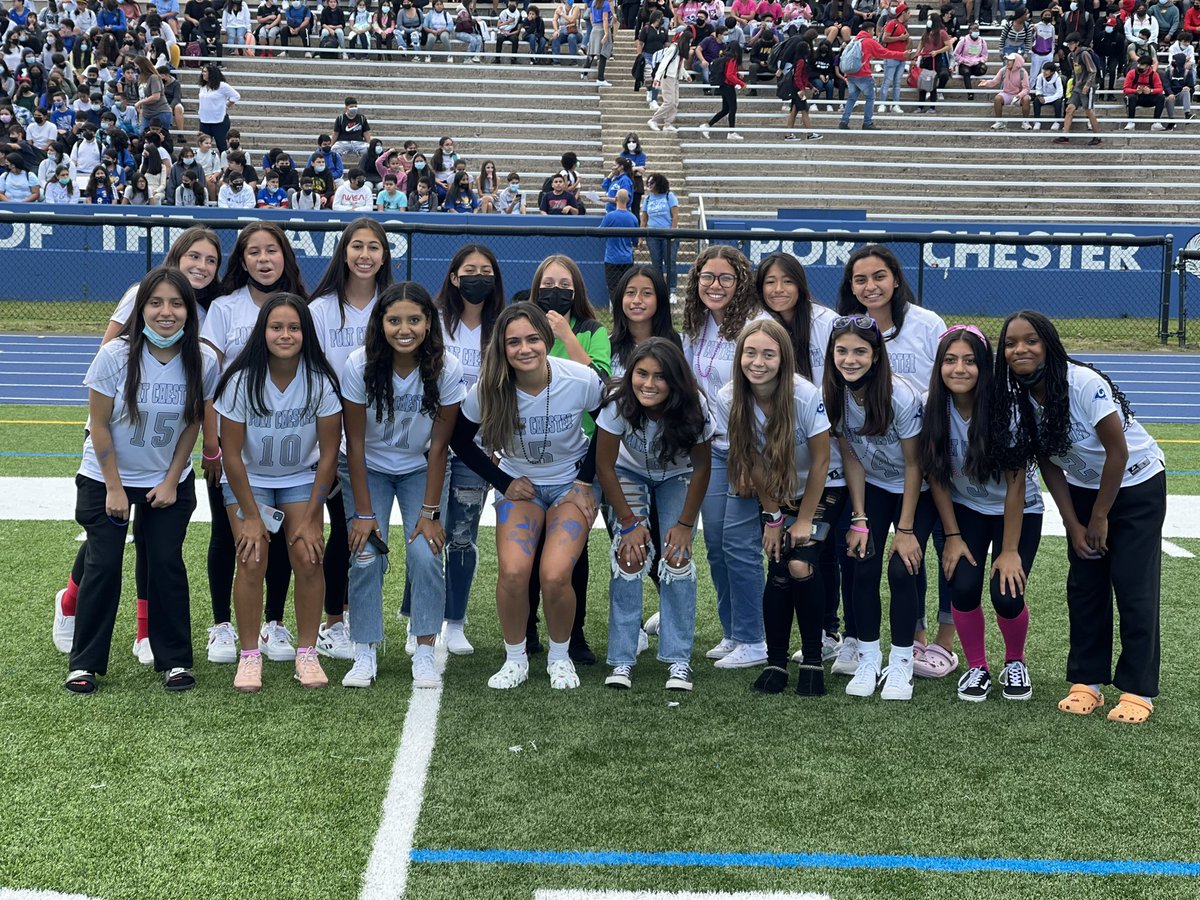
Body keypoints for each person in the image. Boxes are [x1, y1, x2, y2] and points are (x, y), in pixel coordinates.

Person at [996, 311, 1165, 724]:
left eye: (1031, 340)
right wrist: (1073, 524)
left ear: (1048, 344)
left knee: (1132, 584)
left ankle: (1137, 689)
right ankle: (1087, 681)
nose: (1021, 349)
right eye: (1012, 343)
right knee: (1085, 585)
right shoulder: (1014, 395)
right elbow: (1049, 464)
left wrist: (1101, 516)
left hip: (1136, 485)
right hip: (1085, 492)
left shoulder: (1083, 382)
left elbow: (1118, 453)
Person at [63, 268, 218, 695]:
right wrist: (114, 487)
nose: (166, 313)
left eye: (176, 303)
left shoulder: (202, 359)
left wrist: (172, 480)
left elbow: (193, 424)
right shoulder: (116, 355)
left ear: (189, 309)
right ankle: (85, 663)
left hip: (166, 478)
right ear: (142, 308)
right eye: (156, 303)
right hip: (106, 478)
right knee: (104, 562)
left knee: (166, 562)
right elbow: (98, 424)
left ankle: (174, 661)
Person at [452, 303, 605, 689]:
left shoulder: (580, 378)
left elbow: (610, 422)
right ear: (502, 348)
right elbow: (459, 439)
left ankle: (559, 657)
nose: (525, 349)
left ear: (547, 339)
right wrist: (502, 482)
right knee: (514, 572)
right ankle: (515, 658)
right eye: (514, 342)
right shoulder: (489, 387)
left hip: (570, 484)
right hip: (522, 486)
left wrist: (586, 479)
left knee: (554, 575)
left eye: (533, 339)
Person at [214, 294, 342, 692]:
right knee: (252, 558)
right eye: (276, 327)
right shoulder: (240, 380)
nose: (285, 335)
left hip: (299, 478)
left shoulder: (319, 380)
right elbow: (230, 454)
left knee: (307, 556)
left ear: (306, 333)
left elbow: (328, 454)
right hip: (248, 479)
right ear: (262, 331)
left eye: (293, 328)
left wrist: (312, 515)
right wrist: (251, 516)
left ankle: (307, 652)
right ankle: (250, 655)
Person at [339, 282, 463, 688]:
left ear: (429, 323)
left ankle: (424, 648)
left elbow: (441, 445)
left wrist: (429, 514)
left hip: (420, 468)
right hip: (366, 466)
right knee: (365, 555)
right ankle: (365, 649)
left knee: (426, 554)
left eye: (414, 319)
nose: (404, 328)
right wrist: (363, 512)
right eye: (394, 320)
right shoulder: (358, 365)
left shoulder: (448, 368)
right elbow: (354, 443)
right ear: (381, 323)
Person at [200, 223, 308, 664]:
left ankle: (275, 623)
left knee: (281, 537)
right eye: (254, 252)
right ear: (241, 260)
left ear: (285, 255)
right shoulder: (224, 308)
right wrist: (213, 447)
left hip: (286, 445)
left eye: (272, 250)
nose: (264, 259)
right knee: (230, 536)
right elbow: (211, 383)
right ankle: (222, 624)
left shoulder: (303, 305)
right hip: (233, 447)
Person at [917, 325, 1042, 703]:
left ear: (984, 366)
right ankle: (977, 667)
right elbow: (937, 476)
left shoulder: (1007, 406)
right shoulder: (931, 406)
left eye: (970, 361)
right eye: (951, 360)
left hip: (1016, 510)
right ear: (939, 366)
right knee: (964, 586)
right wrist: (952, 537)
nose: (960, 369)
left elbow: (1016, 485)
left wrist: (1008, 551)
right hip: (966, 509)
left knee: (1006, 592)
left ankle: (1015, 661)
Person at [720, 319, 842, 695]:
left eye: (768, 354)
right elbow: (753, 461)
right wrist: (773, 517)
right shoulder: (729, 398)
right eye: (751, 353)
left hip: (824, 487)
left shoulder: (804, 394)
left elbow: (822, 460)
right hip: (777, 492)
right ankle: (776, 662)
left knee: (800, 562)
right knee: (778, 565)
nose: (758, 362)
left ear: (783, 358)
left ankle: (811, 660)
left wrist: (804, 519)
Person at [596, 337, 712, 692]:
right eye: (641, 374)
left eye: (660, 376)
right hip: (627, 472)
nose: (648, 383)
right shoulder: (618, 403)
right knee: (629, 556)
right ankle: (621, 659)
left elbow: (703, 467)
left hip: (678, 476)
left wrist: (685, 524)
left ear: (675, 380)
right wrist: (629, 523)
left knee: (677, 557)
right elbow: (604, 465)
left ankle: (679, 660)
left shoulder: (696, 405)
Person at [823, 315, 929, 700]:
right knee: (861, 561)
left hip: (918, 489)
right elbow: (851, 455)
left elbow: (916, 464)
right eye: (842, 351)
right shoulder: (833, 392)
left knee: (903, 570)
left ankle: (901, 664)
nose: (850, 359)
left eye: (860, 351)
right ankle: (869, 658)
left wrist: (904, 530)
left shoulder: (899, 395)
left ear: (876, 355)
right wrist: (860, 517)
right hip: (875, 487)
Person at [682, 246, 771, 668]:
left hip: (747, 449)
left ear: (741, 283)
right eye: (706, 277)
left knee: (740, 545)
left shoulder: (756, 326)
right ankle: (733, 631)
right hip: (710, 449)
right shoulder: (695, 326)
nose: (714, 286)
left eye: (724, 278)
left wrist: (751, 459)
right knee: (716, 545)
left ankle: (755, 640)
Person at [431, 245, 507, 654]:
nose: (478, 277)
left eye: (486, 270)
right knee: (425, 535)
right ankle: (419, 619)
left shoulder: (501, 327)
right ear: (455, 277)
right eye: (469, 270)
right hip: (431, 447)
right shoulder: (434, 322)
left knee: (462, 536)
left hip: (477, 450)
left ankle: (455, 621)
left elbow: (507, 391)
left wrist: (496, 444)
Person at [838, 19, 910, 129]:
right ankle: (867, 122)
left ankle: (844, 121)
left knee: (852, 98)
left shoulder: (854, 40)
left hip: (851, 74)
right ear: (869, 30)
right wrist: (902, 55)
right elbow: (885, 53)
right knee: (870, 98)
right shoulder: (869, 42)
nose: (874, 33)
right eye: (873, 31)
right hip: (863, 74)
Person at [1054, 32, 1103, 145]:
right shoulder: (1070, 56)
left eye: (1072, 43)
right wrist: (1074, 85)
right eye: (1069, 44)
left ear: (1077, 43)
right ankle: (1065, 135)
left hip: (1088, 86)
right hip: (1078, 86)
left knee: (1089, 111)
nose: (1070, 46)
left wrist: (1087, 85)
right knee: (1069, 109)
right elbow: (1074, 72)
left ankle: (1097, 136)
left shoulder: (1084, 54)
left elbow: (1093, 71)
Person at [640, 173, 680, 294]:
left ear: (659, 183)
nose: (649, 185)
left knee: (670, 262)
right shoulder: (647, 198)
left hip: (668, 234)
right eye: (648, 183)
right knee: (656, 264)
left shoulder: (669, 196)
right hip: (652, 235)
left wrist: (672, 232)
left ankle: (672, 290)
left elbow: (675, 215)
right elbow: (644, 219)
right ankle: (659, 289)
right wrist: (640, 237)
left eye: (652, 183)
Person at [701, 35, 746, 139]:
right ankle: (731, 132)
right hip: (728, 86)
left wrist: (737, 74)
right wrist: (741, 83)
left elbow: (728, 72)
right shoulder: (733, 59)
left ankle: (707, 125)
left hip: (723, 85)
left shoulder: (726, 57)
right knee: (732, 109)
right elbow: (729, 75)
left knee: (725, 109)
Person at [648, 29, 691, 132]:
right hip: (668, 77)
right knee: (669, 101)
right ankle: (654, 119)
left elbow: (679, 66)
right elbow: (664, 63)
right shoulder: (673, 49)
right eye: (690, 41)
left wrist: (686, 75)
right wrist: (657, 78)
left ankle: (668, 124)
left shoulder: (680, 51)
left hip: (675, 77)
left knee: (675, 102)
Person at [600, 188, 639, 302]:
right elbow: (635, 241)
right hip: (627, 258)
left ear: (615, 199)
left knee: (613, 289)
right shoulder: (633, 218)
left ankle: (617, 313)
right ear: (628, 200)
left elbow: (599, 233)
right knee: (627, 288)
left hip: (612, 258)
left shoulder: (610, 216)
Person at [914, 13, 953, 113]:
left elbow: (948, 46)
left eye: (930, 19)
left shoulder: (942, 33)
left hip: (936, 59)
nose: (928, 21)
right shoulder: (927, 32)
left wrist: (937, 52)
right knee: (922, 82)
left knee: (932, 83)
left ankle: (932, 107)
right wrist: (917, 54)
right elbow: (921, 43)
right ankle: (920, 106)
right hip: (925, 58)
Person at [983, 52, 1032, 129]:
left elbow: (1026, 88)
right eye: (1007, 60)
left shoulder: (1023, 72)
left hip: (1018, 95)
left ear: (1016, 62)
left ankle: (1025, 122)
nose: (1007, 62)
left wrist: (1020, 95)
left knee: (1026, 99)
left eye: (1010, 60)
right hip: (1007, 94)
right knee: (997, 98)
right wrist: (986, 83)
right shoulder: (1003, 70)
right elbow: (994, 81)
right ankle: (999, 122)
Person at [197, 64, 239, 153]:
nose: (202, 74)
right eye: (202, 71)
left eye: (205, 72)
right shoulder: (203, 87)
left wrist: (226, 106)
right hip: (204, 120)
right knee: (203, 146)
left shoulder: (222, 86)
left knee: (221, 146)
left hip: (219, 121)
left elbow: (236, 96)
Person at [878, 0, 910, 112]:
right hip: (891, 56)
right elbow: (884, 38)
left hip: (901, 57)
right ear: (903, 13)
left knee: (897, 83)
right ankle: (882, 104)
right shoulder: (892, 23)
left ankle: (895, 104)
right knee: (887, 81)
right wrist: (900, 38)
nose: (909, 15)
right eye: (908, 12)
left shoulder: (903, 26)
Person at [1122, 53, 1167, 128]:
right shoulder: (1131, 73)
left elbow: (1160, 89)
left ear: (1148, 66)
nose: (1139, 66)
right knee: (1130, 97)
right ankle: (1131, 122)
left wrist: (1150, 91)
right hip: (1136, 97)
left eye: (1142, 65)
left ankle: (1156, 122)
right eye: (1139, 64)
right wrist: (1136, 91)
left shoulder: (1154, 75)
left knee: (1161, 97)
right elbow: (1125, 89)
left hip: (1149, 97)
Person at [581, 0, 614, 84]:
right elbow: (605, 19)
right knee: (603, 54)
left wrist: (594, 26)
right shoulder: (605, 4)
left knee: (591, 53)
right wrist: (606, 33)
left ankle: (584, 73)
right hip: (603, 28)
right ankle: (600, 78)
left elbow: (591, 17)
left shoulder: (593, 2)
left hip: (595, 28)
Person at [1031, 60, 1063, 128]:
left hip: (1054, 97)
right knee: (1036, 101)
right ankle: (1037, 121)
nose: (1044, 72)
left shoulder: (1057, 79)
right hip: (1043, 97)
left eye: (1047, 70)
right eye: (1044, 70)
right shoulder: (1040, 77)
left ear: (1052, 72)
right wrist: (1040, 96)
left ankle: (1057, 122)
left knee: (1059, 102)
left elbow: (1059, 93)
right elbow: (1038, 88)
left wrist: (1047, 99)